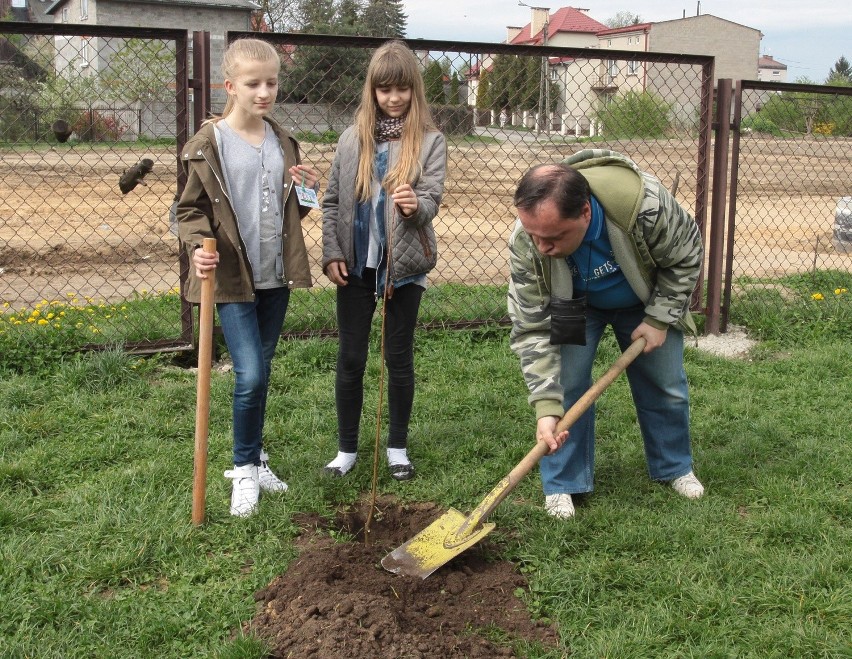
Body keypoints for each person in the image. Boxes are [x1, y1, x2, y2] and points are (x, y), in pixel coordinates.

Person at [508, 149, 705, 519]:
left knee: (665, 383)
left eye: (553, 237)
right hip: (572, 303)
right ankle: (564, 484)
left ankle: (674, 466)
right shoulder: (528, 240)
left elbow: (687, 254)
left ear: (585, 212)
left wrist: (661, 318)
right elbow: (531, 325)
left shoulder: (645, 205)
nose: (542, 247)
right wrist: (546, 408)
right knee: (566, 387)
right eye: (534, 235)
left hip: (644, 299)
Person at [177, 38, 319, 517]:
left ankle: (256, 458)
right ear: (230, 86)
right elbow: (188, 211)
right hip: (234, 278)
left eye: (272, 82)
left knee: (261, 372)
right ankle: (243, 471)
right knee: (251, 373)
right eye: (253, 83)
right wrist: (199, 248)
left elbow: (293, 213)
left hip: (275, 276)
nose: (264, 92)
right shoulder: (209, 145)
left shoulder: (283, 142)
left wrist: (309, 192)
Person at [321, 40, 447, 481]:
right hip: (356, 266)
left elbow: (432, 199)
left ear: (415, 90)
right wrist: (332, 251)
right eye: (383, 89)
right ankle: (347, 450)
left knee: (398, 356)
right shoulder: (351, 139)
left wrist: (415, 205)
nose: (393, 98)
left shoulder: (430, 141)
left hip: (404, 268)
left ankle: (397, 448)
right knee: (351, 357)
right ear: (371, 91)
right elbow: (333, 201)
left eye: (402, 89)